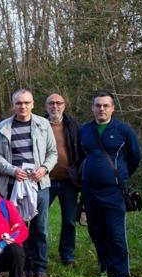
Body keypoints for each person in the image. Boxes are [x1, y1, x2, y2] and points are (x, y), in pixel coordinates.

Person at [0, 89, 57, 277]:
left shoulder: (43, 125)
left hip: (39, 184)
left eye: (26, 103)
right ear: (13, 105)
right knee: (17, 229)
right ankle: (20, 268)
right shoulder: (3, 127)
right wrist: (11, 170)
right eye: (19, 103)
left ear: (33, 104)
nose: (23, 106)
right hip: (13, 185)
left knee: (40, 228)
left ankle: (39, 268)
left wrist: (44, 169)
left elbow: (53, 152)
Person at [78, 91, 141, 277]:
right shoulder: (85, 130)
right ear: (93, 108)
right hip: (90, 191)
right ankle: (105, 267)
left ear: (113, 108)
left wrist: (119, 176)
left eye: (106, 105)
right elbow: (81, 155)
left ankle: (122, 275)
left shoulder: (123, 130)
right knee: (96, 232)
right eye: (98, 105)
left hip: (114, 192)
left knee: (116, 234)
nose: (101, 109)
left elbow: (135, 157)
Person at [45, 93, 81, 266]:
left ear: (64, 106)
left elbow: (80, 151)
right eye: (51, 103)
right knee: (39, 218)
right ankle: (37, 253)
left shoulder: (73, 125)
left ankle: (67, 254)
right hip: (45, 180)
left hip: (69, 181)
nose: (55, 106)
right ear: (46, 106)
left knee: (69, 219)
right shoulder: (40, 124)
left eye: (58, 103)